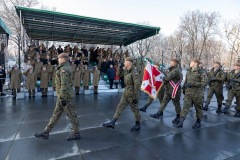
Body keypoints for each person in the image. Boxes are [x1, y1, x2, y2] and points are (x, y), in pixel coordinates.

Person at [34, 53, 80, 141]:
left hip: (65, 97)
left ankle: (76, 133)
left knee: (72, 115)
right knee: (56, 114)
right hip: (62, 96)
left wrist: (62, 97)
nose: (58, 60)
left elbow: (64, 84)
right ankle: (46, 132)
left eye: (59, 58)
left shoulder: (64, 69)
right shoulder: (64, 67)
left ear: (63, 59)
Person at [103, 57, 141, 131]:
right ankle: (113, 122)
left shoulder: (134, 72)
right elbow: (119, 75)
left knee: (135, 109)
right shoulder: (126, 70)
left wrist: (136, 97)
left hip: (132, 93)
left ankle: (138, 124)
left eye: (125, 62)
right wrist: (119, 68)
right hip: (126, 91)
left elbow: (137, 85)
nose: (124, 63)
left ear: (129, 62)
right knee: (120, 106)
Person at [174, 58, 206, 129]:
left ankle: (198, 122)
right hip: (188, 93)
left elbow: (204, 83)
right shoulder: (189, 71)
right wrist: (184, 88)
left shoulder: (201, 72)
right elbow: (186, 81)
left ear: (196, 63)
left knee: (198, 108)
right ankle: (181, 122)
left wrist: (192, 84)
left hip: (197, 94)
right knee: (185, 107)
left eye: (191, 62)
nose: (190, 63)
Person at [150, 58, 182, 125]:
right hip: (168, 90)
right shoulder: (172, 69)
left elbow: (167, 78)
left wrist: (161, 77)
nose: (170, 63)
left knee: (176, 104)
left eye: (171, 62)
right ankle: (158, 113)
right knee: (164, 102)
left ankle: (178, 117)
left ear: (174, 63)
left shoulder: (175, 70)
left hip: (174, 91)